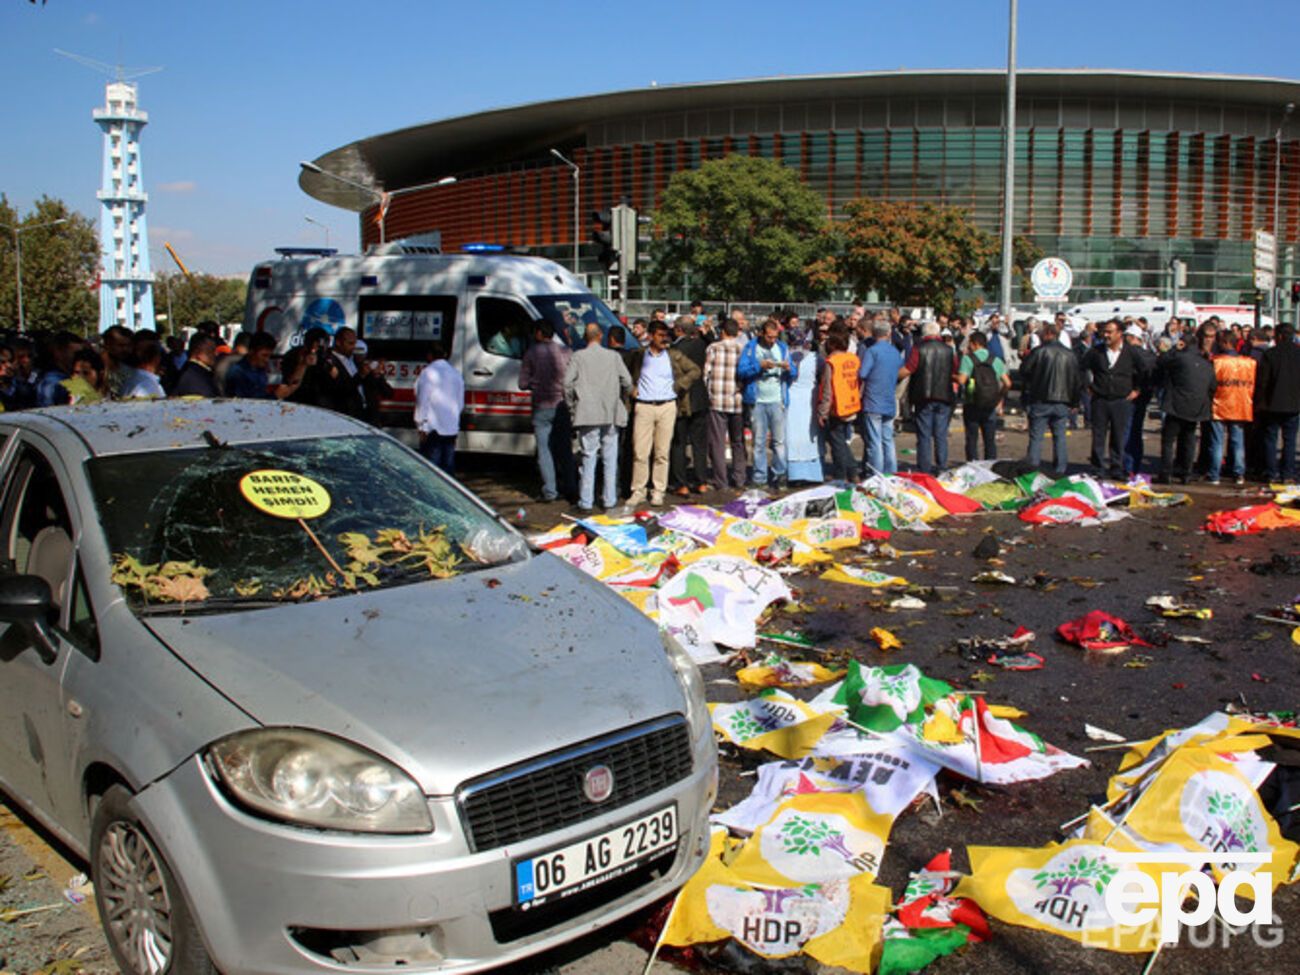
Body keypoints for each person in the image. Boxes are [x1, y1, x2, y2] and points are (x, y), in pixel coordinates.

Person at [626, 320, 701, 507]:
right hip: (644, 406)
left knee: (662, 453)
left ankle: (658, 490)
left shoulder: (674, 355)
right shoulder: (639, 355)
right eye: (660, 335)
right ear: (650, 336)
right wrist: (631, 389)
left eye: (666, 335)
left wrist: (679, 385)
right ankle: (638, 490)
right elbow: (623, 374)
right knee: (640, 452)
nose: (664, 339)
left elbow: (695, 370)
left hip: (667, 406)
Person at [565, 323, 632, 511]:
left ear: (585, 337)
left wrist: (572, 406)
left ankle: (586, 501)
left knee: (588, 456)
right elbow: (627, 381)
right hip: (610, 412)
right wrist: (621, 397)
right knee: (610, 457)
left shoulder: (578, 357)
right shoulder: (613, 356)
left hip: (587, 412)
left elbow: (567, 383)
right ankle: (609, 499)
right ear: (601, 336)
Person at [518, 321, 575, 503]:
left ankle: (550, 490)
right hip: (562, 405)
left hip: (541, 406)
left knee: (544, 450)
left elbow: (522, 383)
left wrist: (534, 383)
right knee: (565, 449)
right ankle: (571, 486)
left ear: (539, 333)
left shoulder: (532, 353)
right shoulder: (566, 352)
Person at [1155, 323, 1217, 485]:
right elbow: (1213, 387)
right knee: (1189, 440)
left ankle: (1166, 473)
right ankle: (1186, 474)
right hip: (1196, 407)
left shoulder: (1180, 358)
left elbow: (1162, 360)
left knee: (1169, 440)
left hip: (1176, 405)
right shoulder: (1207, 364)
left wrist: (1175, 348)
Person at [1021, 320, 1082, 477]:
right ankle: (1060, 470)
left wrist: (1032, 384)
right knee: (1060, 437)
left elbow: (1024, 370)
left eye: (1042, 334)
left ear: (1049, 334)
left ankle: (1032, 470)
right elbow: (1076, 380)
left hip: (1040, 399)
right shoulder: (1070, 354)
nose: (1040, 336)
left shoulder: (1039, 352)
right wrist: (1075, 402)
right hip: (1062, 401)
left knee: (1036, 437)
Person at [737, 318, 793, 488]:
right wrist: (759, 366)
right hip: (758, 400)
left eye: (775, 337)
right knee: (758, 441)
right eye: (769, 337)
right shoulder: (751, 348)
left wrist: (789, 369)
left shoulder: (782, 347)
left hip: (777, 400)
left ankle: (780, 474)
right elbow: (741, 371)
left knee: (779, 441)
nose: (772, 340)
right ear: (761, 334)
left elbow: (793, 371)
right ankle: (760, 477)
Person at [1081, 319, 1139, 477]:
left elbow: (1144, 371)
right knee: (1098, 435)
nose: (1106, 335)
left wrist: (1137, 390)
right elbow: (1082, 368)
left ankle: (1116, 467)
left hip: (1121, 400)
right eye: (1104, 332)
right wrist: (1088, 386)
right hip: (1100, 399)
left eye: (1109, 332)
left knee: (1119, 436)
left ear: (1119, 333)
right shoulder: (1096, 351)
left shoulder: (1131, 352)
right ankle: (1098, 467)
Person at [900, 321, 956, 474]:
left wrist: (894, 376)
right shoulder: (949, 350)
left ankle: (924, 468)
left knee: (924, 435)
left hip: (923, 395)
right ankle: (942, 467)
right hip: (944, 395)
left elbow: (909, 369)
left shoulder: (919, 348)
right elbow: (954, 370)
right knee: (941, 434)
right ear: (938, 333)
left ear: (924, 334)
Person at [667, 316, 711, 495]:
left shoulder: (674, 349)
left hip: (681, 398)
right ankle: (702, 481)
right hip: (700, 397)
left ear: (678, 330)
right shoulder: (701, 345)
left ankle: (681, 483)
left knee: (679, 442)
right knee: (700, 443)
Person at [1207, 328, 1256, 485]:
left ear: (1225, 343)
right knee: (1237, 441)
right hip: (1241, 404)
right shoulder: (1249, 363)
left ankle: (1215, 474)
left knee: (1217, 441)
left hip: (1219, 403)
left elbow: (1210, 385)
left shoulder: (1217, 362)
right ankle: (1239, 473)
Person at [704, 317, 747, 491]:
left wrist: (709, 394)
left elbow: (706, 374)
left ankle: (721, 481)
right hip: (737, 401)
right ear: (737, 332)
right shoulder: (743, 350)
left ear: (722, 332)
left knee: (718, 442)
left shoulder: (713, 348)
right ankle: (740, 478)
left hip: (717, 400)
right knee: (738, 441)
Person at [1254, 322, 1300, 483]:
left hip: (1272, 403)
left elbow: (1263, 381)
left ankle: (1271, 472)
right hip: (1294, 403)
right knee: (1290, 440)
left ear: (1279, 336)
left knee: (1271, 439)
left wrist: (1259, 402)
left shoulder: (1270, 354)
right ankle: (1288, 473)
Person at [857, 320, 903, 476]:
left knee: (874, 442)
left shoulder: (872, 351)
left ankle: (876, 474)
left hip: (873, 400)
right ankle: (891, 473)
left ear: (873, 333)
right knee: (888, 440)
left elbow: (863, 374)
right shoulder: (895, 352)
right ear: (889, 333)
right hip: (889, 399)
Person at [956, 330, 1010, 462]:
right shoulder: (996, 360)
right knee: (989, 440)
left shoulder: (968, 359)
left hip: (972, 402)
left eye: (970, 344)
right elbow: (1008, 383)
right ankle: (990, 467)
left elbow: (961, 380)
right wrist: (999, 397)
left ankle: (972, 465)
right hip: (990, 403)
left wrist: (954, 376)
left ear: (975, 344)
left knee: (971, 438)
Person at [816, 330, 861, 481]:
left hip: (837, 407)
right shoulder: (853, 359)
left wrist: (822, 412)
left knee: (837, 443)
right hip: (851, 404)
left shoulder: (832, 362)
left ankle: (841, 475)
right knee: (840, 440)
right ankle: (852, 471)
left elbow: (827, 389)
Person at [413, 344, 464, 474]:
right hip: (451, 428)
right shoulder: (455, 373)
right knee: (448, 467)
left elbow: (422, 400)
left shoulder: (428, 373)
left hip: (432, 428)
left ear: (430, 355)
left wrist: (421, 425)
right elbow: (460, 403)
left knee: (432, 470)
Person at [783, 326, 824, 483]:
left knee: (792, 435)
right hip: (809, 399)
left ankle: (794, 474)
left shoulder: (786, 356)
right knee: (810, 436)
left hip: (791, 400)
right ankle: (813, 474)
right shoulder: (816, 358)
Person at [1121, 324, 1159, 477]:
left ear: (1131, 338)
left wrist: (1135, 389)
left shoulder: (1128, 354)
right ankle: (1135, 465)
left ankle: (1127, 466)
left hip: (1129, 395)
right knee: (1136, 430)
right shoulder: (1149, 355)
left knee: (1126, 431)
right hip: (1144, 396)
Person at [36, 331, 86, 407]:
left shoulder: (73, 379)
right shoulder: (52, 382)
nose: (80, 358)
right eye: (75, 354)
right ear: (58, 352)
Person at [225, 333, 276, 399]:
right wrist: (275, 396)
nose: (267, 360)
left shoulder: (260, 370)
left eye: (269, 356)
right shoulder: (238, 372)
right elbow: (247, 402)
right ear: (251, 352)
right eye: (264, 355)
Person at [172, 333, 222, 398]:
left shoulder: (188, 370)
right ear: (198, 352)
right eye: (211, 350)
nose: (216, 354)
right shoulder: (195, 376)